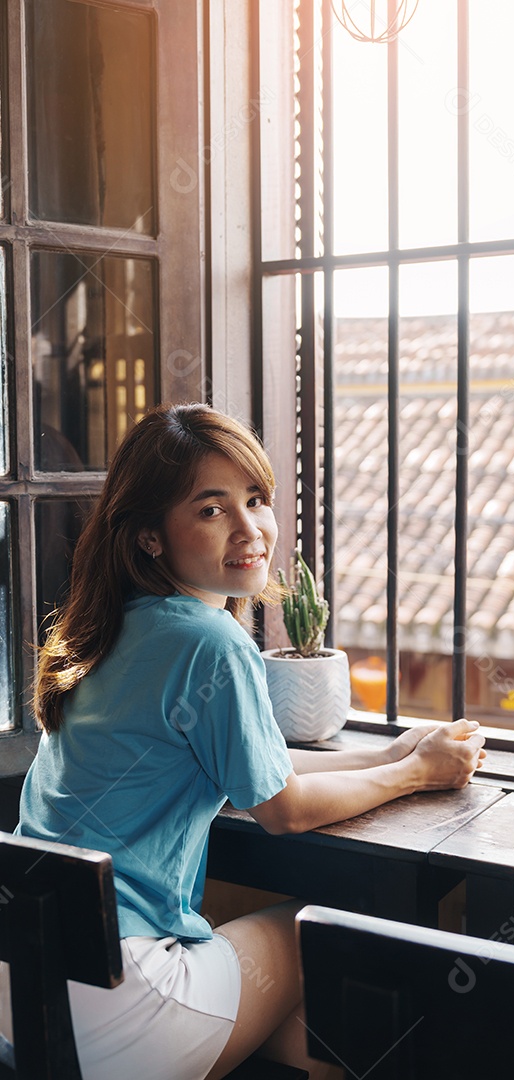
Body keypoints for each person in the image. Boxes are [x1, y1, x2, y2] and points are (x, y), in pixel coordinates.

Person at [0, 403, 486, 1080]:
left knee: (318, 1029)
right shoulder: (210, 642)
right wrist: (418, 777)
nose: (249, 528)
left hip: (30, 993)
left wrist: (393, 752)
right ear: (149, 536)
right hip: (125, 1001)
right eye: (210, 509)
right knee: (332, 933)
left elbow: (251, 761)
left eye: (255, 499)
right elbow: (281, 809)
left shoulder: (112, 626)